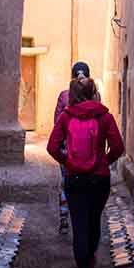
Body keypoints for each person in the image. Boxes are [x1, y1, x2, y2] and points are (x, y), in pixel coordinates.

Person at [46, 76, 124, 268]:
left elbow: (52, 147)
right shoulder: (105, 117)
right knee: (93, 220)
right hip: (99, 180)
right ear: (93, 93)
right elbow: (118, 147)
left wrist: (68, 161)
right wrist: (104, 162)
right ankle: (91, 260)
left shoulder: (66, 117)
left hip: (75, 179)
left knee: (79, 225)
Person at [53, 61, 94, 235]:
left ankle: (64, 217)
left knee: (66, 183)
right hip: (89, 152)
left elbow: (57, 123)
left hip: (67, 150)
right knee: (88, 184)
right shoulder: (94, 97)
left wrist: (62, 153)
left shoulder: (64, 96)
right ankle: (85, 219)